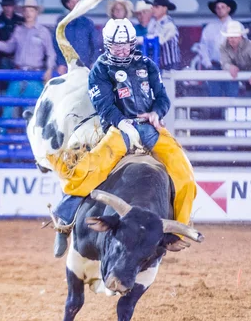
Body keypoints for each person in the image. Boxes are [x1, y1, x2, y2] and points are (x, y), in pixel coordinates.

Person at [47, 19, 196, 257]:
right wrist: (122, 122)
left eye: (126, 45)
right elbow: (103, 104)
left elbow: (162, 98)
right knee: (89, 169)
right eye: (117, 46)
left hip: (150, 127)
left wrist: (156, 113)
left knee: (184, 172)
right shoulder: (100, 69)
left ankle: (177, 232)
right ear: (108, 45)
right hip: (118, 129)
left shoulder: (147, 65)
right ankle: (63, 220)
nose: (122, 50)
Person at [0, 0, 56, 120]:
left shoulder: (43, 32)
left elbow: (51, 53)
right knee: (8, 105)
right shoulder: (18, 30)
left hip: (35, 74)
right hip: (18, 73)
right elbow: (9, 47)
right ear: (23, 12)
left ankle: (30, 137)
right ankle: (3, 135)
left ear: (36, 12)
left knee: (34, 108)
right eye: (26, 10)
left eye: (31, 10)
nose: (28, 13)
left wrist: (49, 69)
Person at [199, 0, 239, 98]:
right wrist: (208, 64)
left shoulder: (237, 26)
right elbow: (203, 47)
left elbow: (243, 47)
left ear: (228, 9)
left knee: (232, 99)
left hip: (231, 67)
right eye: (218, 7)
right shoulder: (209, 28)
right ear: (215, 10)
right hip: (214, 66)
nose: (220, 9)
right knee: (214, 99)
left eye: (223, 7)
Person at [53, 0, 99, 75]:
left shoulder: (88, 23)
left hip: (86, 66)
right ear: (68, 4)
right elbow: (56, 45)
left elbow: (95, 45)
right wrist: (61, 63)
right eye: (72, 2)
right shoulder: (61, 23)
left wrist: (94, 62)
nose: (75, 4)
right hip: (67, 67)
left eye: (77, 2)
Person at [219, 21, 251, 97]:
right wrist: (230, 67)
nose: (232, 40)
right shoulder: (223, 46)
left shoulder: (249, 45)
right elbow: (224, 62)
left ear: (241, 37)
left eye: (235, 37)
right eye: (230, 37)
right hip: (243, 79)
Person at [146, 0, 181, 70]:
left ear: (165, 9)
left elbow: (159, 40)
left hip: (171, 65)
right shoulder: (153, 23)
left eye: (157, 7)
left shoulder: (169, 24)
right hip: (159, 64)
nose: (154, 9)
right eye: (153, 7)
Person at [0, 0, 25, 74]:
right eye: (5, 5)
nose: (7, 8)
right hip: (2, 59)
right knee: (4, 84)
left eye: (10, 5)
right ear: (1, 6)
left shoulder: (22, 21)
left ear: (14, 6)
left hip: (19, 59)